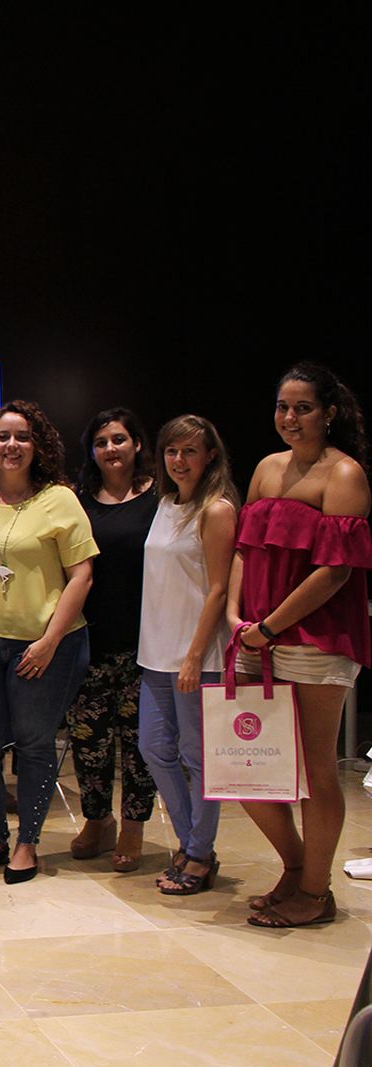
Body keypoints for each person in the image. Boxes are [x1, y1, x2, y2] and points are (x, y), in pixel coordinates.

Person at [230, 362, 371, 928]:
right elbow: (243, 548)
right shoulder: (266, 468)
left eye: (303, 408)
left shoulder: (345, 474)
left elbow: (335, 571)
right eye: (283, 407)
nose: (290, 418)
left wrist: (271, 628)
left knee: (314, 771)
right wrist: (241, 618)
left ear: (329, 412)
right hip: (255, 635)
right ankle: (295, 869)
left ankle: (315, 892)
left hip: (313, 638)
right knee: (246, 765)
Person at [0, 400, 97, 883]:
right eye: (3, 437)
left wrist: (51, 641)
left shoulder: (59, 499)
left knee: (34, 745)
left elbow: (82, 576)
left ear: (39, 445)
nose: (12, 446)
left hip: (42, 647)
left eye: (23, 437)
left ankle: (27, 844)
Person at [138, 415, 237, 895]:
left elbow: (219, 589)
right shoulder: (163, 503)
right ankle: (190, 841)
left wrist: (196, 655)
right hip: (155, 652)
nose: (179, 460)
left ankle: (198, 854)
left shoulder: (216, 510)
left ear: (210, 455)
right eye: (172, 451)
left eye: (190, 452)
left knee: (199, 757)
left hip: (198, 654)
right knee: (153, 747)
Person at [66, 408, 160, 872]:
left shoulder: (161, 499)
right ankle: (97, 820)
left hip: (148, 643)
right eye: (101, 442)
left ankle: (134, 825)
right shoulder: (79, 501)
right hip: (90, 640)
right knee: (90, 739)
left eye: (119, 439)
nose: (110, 449)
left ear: (137, 444)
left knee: (141, 743)